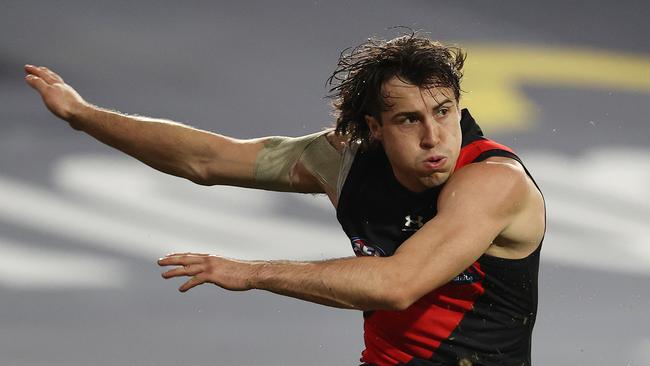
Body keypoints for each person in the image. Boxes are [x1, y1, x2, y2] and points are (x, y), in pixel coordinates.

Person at [25, 33, 545, 366]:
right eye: (410, 119)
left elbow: (396, 285)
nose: (434, 136)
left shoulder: (493, 183)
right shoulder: (343, 160)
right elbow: (207, 159)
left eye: (444, 111)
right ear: (375, 128)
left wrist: (252, 273)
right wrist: (82, 115)